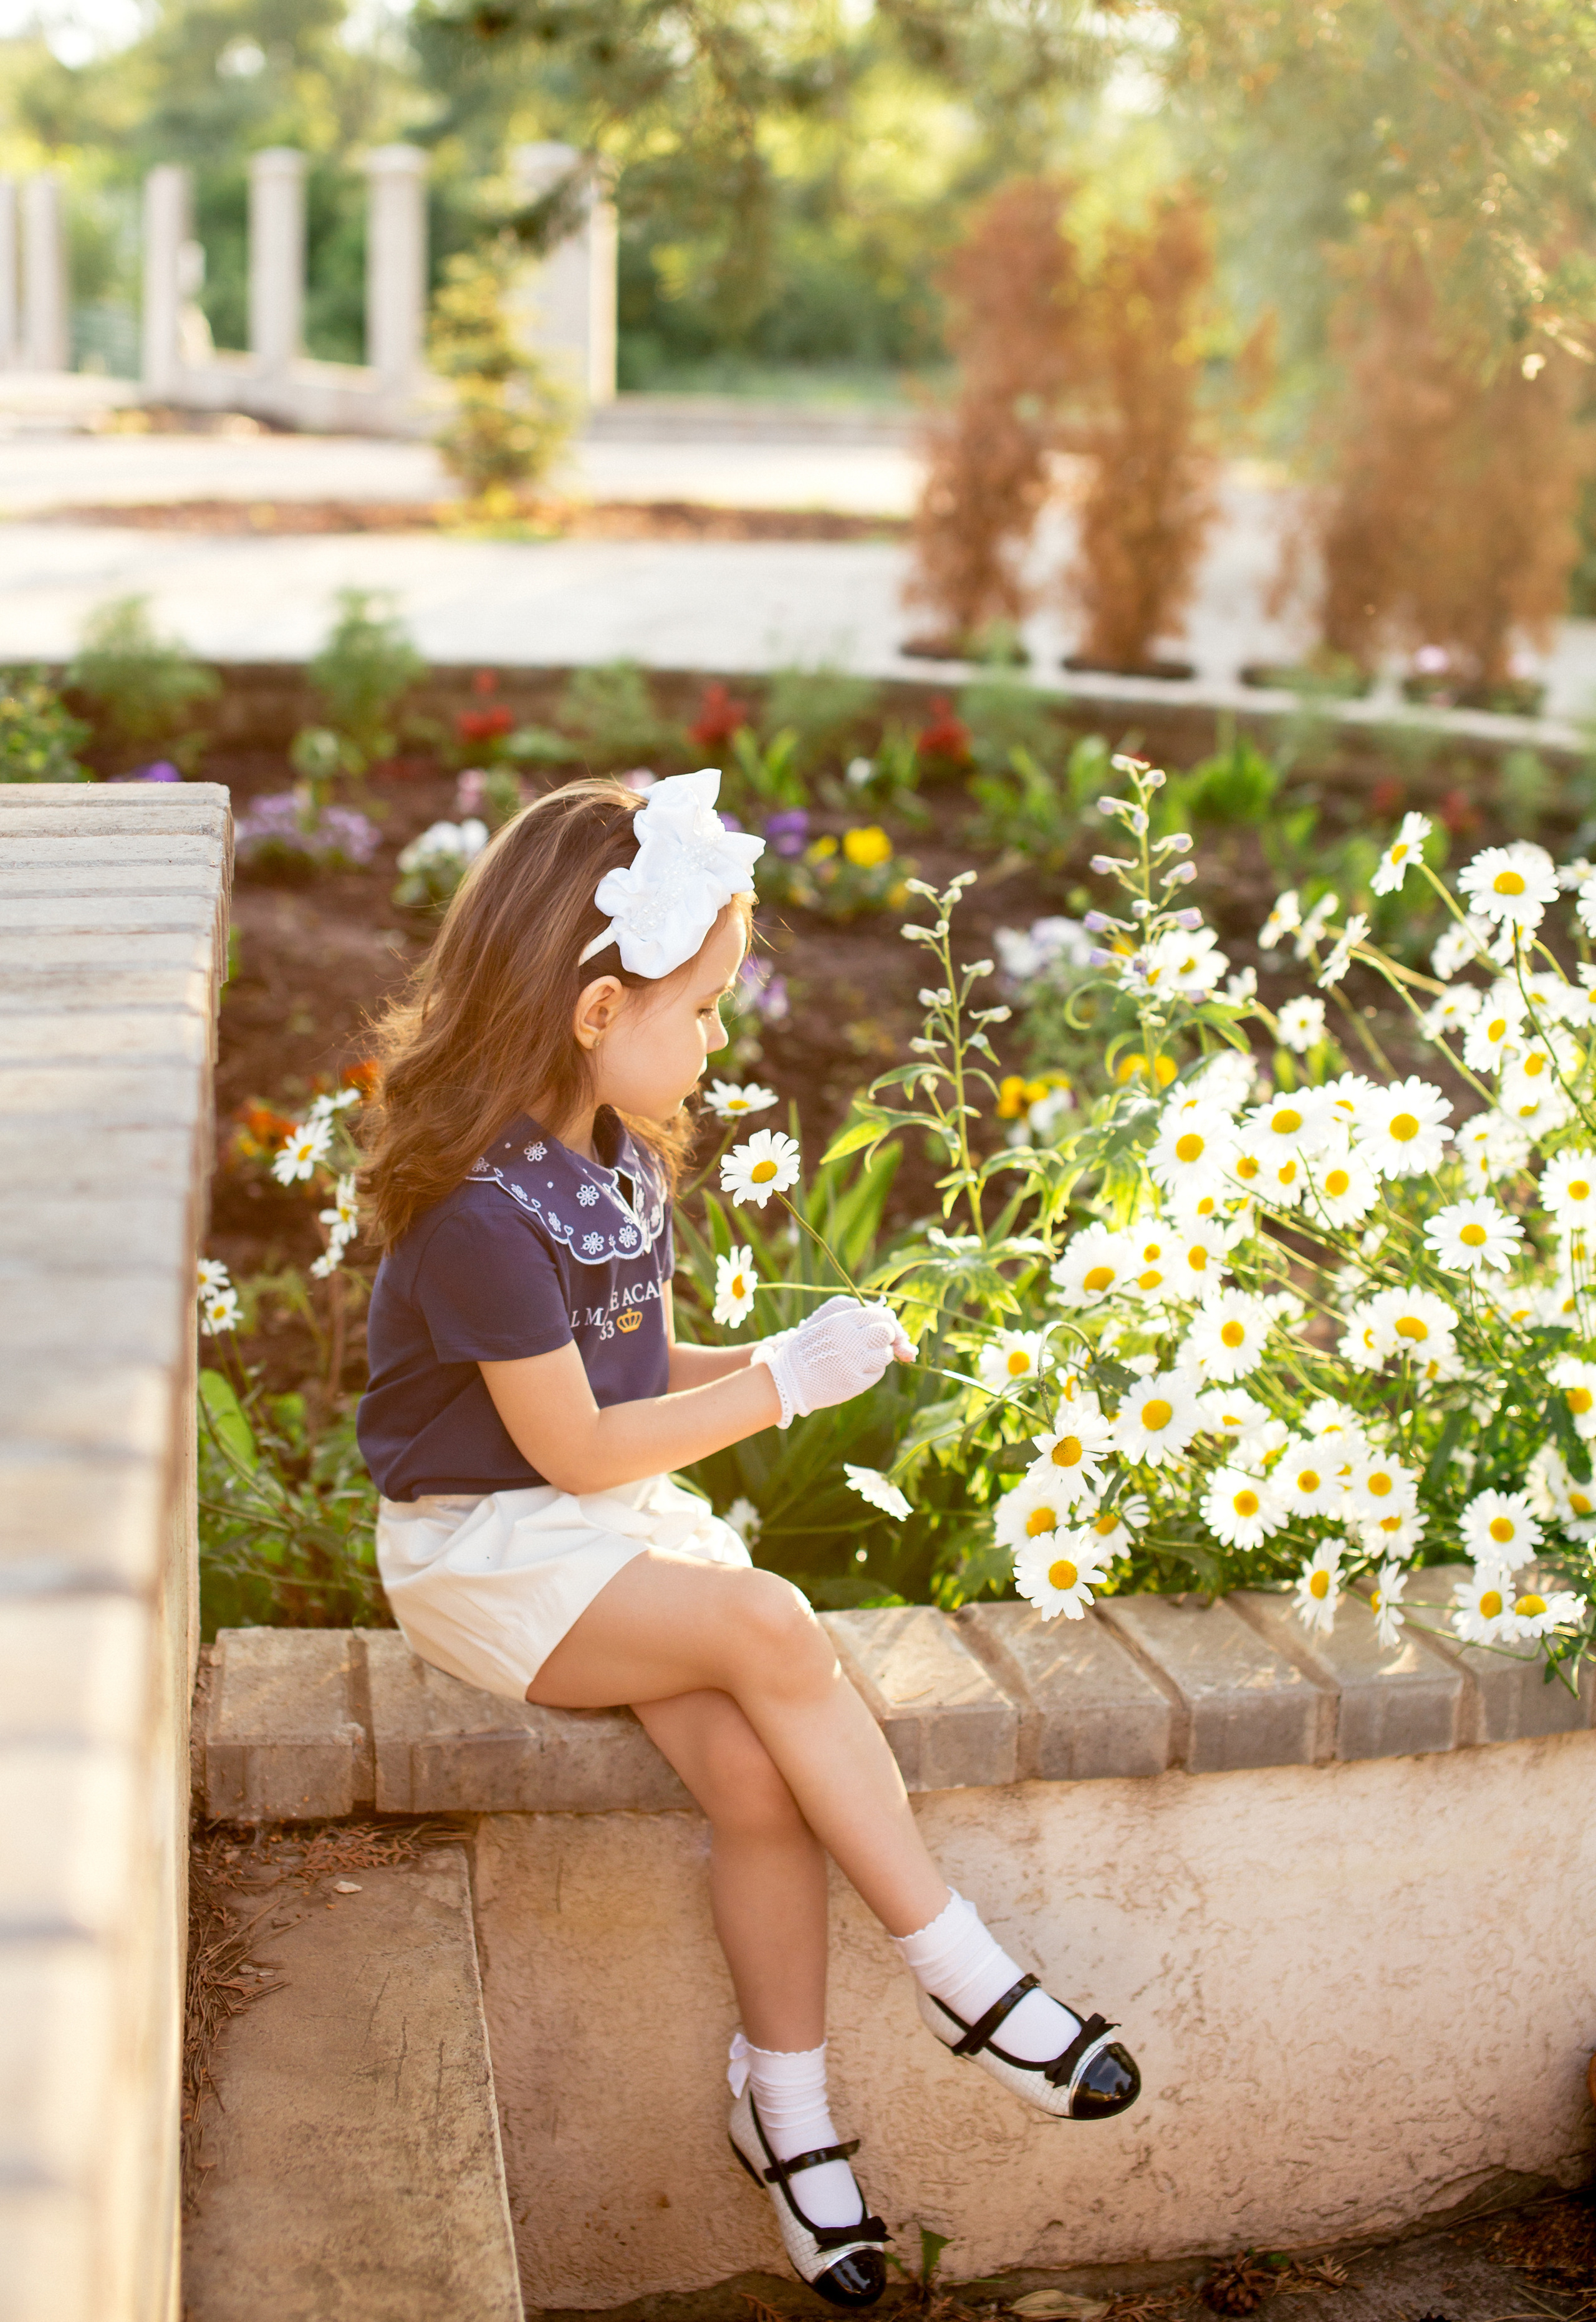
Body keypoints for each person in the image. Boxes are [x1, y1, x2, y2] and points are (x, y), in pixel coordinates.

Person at [356, 771, 1141, 2310]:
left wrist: (796, 1353)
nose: (717, 1039)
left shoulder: (617, 1163)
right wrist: (782, 1387)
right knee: (773, 1624)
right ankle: (962, 1976)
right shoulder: (474, 1212)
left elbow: (630, 1388)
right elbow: (569, 1442)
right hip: (485, 1552)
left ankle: (782, 2117)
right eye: (702, 1007)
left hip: (596, 1519)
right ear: (595, 1008)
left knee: (750, 1773)